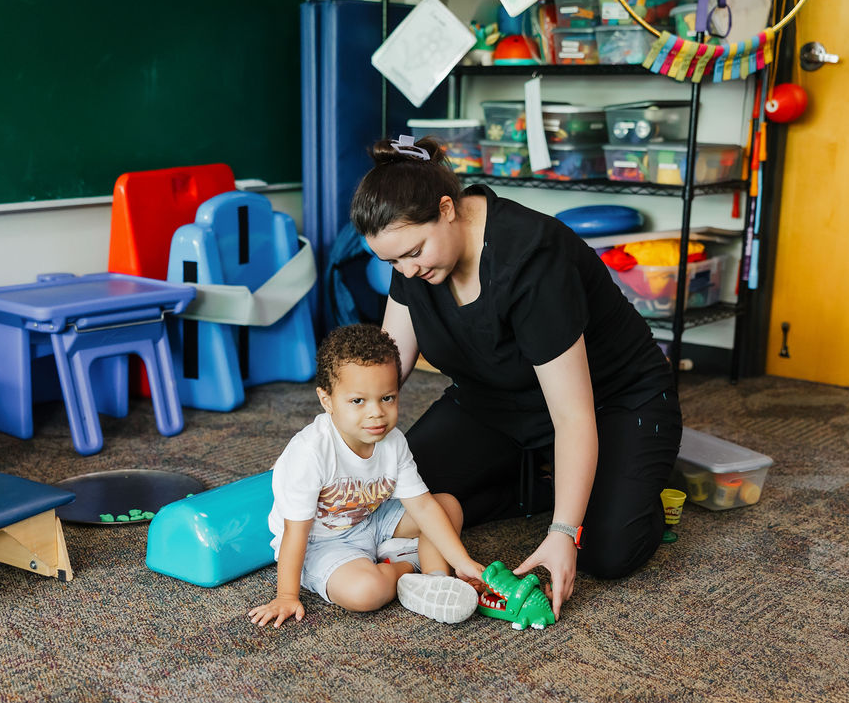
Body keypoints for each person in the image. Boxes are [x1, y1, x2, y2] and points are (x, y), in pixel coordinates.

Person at [350, 135, 684, 620]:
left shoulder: (532, 258)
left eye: (413, 253)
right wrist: (336, 442)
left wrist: (564, 532)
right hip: (496, 402)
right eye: (392, 262)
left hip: (613, 401)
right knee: (397, 492)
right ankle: (540, 479)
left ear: (447, 208)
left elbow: (572, 413)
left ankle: (633, 473)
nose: (406, 269)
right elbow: (388, 370)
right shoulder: (414, 256)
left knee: (607, 550)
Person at [248, 323, 484, 628]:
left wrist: (461, 563)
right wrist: (286, 595)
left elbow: (423, 507)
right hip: (321, 542)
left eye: (387, 398)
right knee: (365, 592)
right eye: (358, 401)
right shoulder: (310, 452)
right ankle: (402, 571)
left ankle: (435, 579)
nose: (376, 413)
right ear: (327, 400)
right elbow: (296, 533)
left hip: (372, 519)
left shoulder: (393, 441)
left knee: (447, 505)